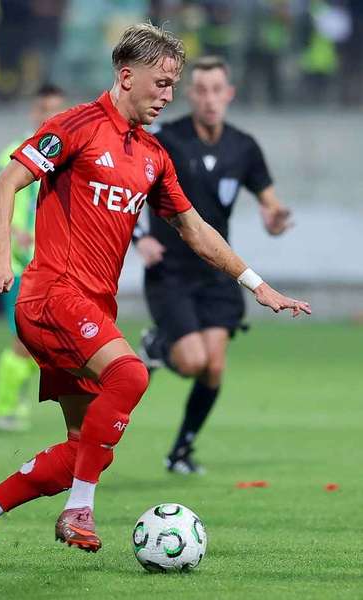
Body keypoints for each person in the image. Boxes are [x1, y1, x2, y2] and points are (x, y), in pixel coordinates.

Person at [0, 23, 310, 566]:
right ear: (125, 75)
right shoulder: (75, 126)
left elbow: (196, 229)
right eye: (160, 83)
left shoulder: (153, 155)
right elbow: (3, 186)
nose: (167, 96)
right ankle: (79, 510)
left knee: (83, 449)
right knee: (131, 375)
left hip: (91, 307)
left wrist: (258, 285)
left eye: (172, 86)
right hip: (51, 295)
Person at [132, 56, 293, 475]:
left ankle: (181, 451)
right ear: (191, 94)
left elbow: (270, 205)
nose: (209, 99)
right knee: (191, 362)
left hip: (218, 270)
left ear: (229, 93)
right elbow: (129, 192)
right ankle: (158, 347)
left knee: (214, 366)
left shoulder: (244, 146)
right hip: (171, 271)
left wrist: (275, 219)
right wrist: (141, 238)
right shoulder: (165, 138)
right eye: (201, 90)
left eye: (216, 89)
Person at [0, 84, 67, 432]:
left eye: (56, 109)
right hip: (23, 265)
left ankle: (15, 401)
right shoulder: (14, 152)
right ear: (34, 112)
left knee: (47, 342)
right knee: (25, 339)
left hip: (57, 266)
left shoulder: (68, 153)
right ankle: (5, 408)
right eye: (44, 108)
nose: (50, 115)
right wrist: (13, 233)